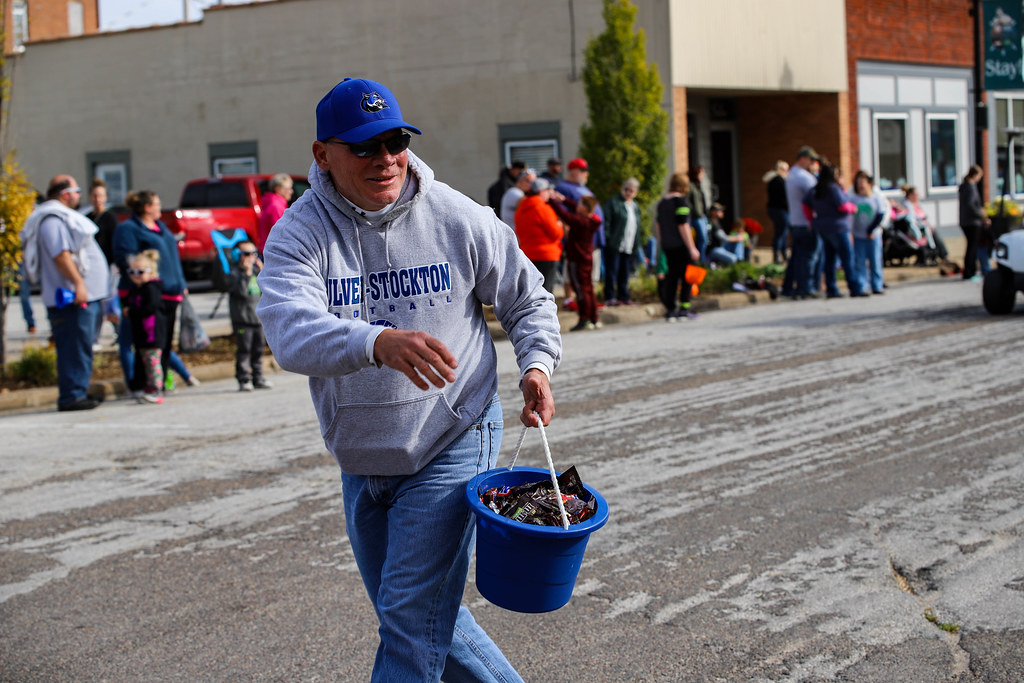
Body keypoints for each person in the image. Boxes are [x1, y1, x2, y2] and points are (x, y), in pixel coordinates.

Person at [255, 77, 561, 683]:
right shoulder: (299, 233)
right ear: (323, 155)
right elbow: (289, 332)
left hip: (454, 435)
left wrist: (536, 364)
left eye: (395, 141)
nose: (385, 159)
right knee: (424, 621)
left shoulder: (455, 215)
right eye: (364, 146)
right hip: (363, 455)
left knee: (408, 621)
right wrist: (375, 341)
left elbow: (528, 299)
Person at [20, 175, 109, 411]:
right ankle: (72, 395)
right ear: (65, 194)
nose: (80, 196)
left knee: (80, 346)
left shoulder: (61, 217)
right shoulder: (52, 220)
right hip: (70, 298)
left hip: (79, 296)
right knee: (73, 346)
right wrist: (79, 283)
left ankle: (79, 390)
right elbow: (61, 255)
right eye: (77, 190)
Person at [113, 190, 188, 399]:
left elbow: (172, 258)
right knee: (146, 344)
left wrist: (181, 283)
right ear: (146, 207)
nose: (159, 207)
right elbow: (126, 260)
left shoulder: (161, 228)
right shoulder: (128, 229)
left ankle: (159, 383)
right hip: (150, 295)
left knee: (163, 344)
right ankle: (142, 385)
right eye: (156, 204)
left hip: (172, 293)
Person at [802, 163, 865, 298]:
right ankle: (855, 288)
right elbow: (842, 206)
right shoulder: (833, 189)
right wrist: (853, 208)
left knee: (829, 260)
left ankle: (831, 289)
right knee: (847, 259)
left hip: (822, 227)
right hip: (839, 227)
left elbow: (805, 204)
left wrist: (811, 220)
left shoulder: (815, 189)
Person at [552, 194, 602, 330]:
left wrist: (552, 200)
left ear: (585, 208)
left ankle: (584, 318)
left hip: (576, 260)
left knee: (581, 290)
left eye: (580, 204)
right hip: (587, 259)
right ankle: (593, 318)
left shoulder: (580, 222)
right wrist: (564, 199)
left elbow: (564, 214)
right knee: (588, 288)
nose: (577, 206)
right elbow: (575, 208)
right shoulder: (592, 220)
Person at [655, 172, 700, 321]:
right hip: (681, 245)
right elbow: (683, 226)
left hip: (667, 246)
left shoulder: (662, 203)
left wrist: (662, 245)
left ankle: (670, 310)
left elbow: (658, 226)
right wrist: (692, 247)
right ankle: (684, 309)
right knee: (688, 276)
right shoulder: (680, 202)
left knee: (672, 277)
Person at [124, 250, 167, 404]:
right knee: (144, 363)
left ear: (151, 272)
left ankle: (156, 389)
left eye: (140, 272)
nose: (136, 275)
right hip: (141, 334)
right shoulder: (136, 289)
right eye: (132, 271)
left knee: (153, 363)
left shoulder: (151, 288)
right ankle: (145, 387)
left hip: (152, 334)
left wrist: (132, 311)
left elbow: (150, 308)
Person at [228, 240, 271, 391]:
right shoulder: (234, 274)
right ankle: (244, 378)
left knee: (258, 349)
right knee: (244, 350)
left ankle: (258, 378)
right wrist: (246, 274)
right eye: (246, 254)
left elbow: (268, 291)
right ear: (237, 256)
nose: (251, 257)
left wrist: (263, 272)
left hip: (257, 319)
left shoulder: (256, 273)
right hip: (243, 320)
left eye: (254, 253)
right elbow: (241, 293)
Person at [781, 146, 821, 298]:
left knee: (797, 257)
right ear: (802, 158)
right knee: (809, 257)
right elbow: (816, 197)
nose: (812, 163)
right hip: (807, 222)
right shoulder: (804, 177)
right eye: (811, 160)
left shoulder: (791, 175)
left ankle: (789, 287)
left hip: (795, 221)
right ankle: (806, 288)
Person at [514, 177, 565, 293]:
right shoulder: (543, 208)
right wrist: (559, 225)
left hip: (528, 254)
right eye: (547, 190)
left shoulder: (520, 208)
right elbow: (556, 233)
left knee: (533, 292)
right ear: (542, 192)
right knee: (547, 292)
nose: (549, 193)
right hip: (547, 255)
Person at [86, 179, 121, 346]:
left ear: (105, 197)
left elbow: (115, 242)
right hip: (92, 269)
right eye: (94, 196)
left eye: (100, 196)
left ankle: (119, 332)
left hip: (109, 266)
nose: (97, 199)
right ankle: (95, 337)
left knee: (110, 301)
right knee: (97, 303)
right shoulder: (87, 218)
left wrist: (117, 264)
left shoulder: (110, 218)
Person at [601, 178, 643, 306]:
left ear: (635, 192)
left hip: (629, 244)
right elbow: (606, 223)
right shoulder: (614, 203)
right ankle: (610, 297)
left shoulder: (634, 206)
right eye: (626, 189)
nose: (628, 192)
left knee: (625, 272)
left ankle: (623, 297)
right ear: (622, 189)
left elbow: (637, 225)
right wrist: (608, 239)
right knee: (612, 271)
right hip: (615, 244)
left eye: (632, 190)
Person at [850, 171, 887, 295]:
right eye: (858, 182)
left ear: (869, 184)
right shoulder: (853, 198)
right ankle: (862, 286)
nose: (860, 185)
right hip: (858, 234)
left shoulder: (876, 198)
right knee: (860, 262)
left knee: (875, 261)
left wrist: (871, 230)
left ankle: (877, 285)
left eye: (863, 182)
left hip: (873, 235)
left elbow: (880, 215)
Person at [899, 185, 949, 265]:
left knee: (934, 232)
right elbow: (911, 218)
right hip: (914, 228)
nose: (918, 196)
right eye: (917, 194)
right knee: (932, 234)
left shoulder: (918, 204)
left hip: (923, 226)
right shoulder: (907, 204)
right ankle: (942, 254)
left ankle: (940, 254)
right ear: (911, 195)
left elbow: (925, 216)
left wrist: (929, 224)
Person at [959, 164, 990, 281]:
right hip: (972, 222)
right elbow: (971, 205)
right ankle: (970, 272)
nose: (980, 179)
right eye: (980, 176)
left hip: (965, 220)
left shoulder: (964, 186)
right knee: (972, 247)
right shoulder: (971, 187)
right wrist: (982, 216)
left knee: (970, 247)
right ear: (976, 175)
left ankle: (969, 271)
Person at [256, 173, 294, 252]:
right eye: (288, 188)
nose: (291, 191)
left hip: (270, 248)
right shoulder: (276, 206)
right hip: (275, 251)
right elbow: (281, 232)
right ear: (278, 189)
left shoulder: (272, 203)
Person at [765, 160, 790, 263]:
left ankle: (783, 254)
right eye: (786, 169)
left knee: (781, 232)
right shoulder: (779, 181)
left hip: (774, 210)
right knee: (781, 233)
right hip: (780, 210)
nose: (787, 172)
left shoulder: (773, 180)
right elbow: (784, 197)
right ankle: (777, 256)